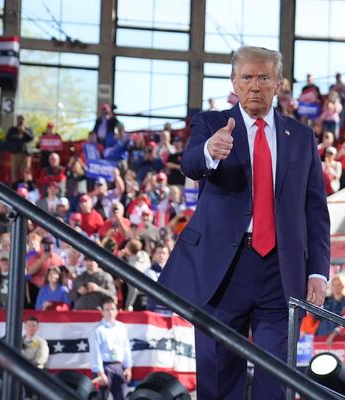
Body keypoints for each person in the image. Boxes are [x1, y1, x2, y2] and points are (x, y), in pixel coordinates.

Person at [158, 46, 330, 400]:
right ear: (234, 82)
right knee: (219, 377)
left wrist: (318, 271)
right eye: (247, 77)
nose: (255, 85)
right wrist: (210, 150)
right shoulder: (210, 123)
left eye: (264, 77)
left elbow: (315, 208)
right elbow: (190, 164)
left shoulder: (301, 137)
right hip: (222, 271)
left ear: (278, 84)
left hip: (282, 273)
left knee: (275, 378)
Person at [89, 298, 133, 400]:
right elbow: (96, 353)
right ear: (102, 311)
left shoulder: (121, 327)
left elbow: (126, 348)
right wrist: (100, 373)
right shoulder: (97, 330)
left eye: (112, 309)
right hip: (104, 367)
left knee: (121, 397)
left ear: (117, 311)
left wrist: (128, 368)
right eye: (107, 309)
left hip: (118, 366)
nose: (110, 312)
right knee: (100, 397)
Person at [5, 114, 33, 184]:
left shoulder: (28, 129)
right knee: (15, 170)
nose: (21, 121)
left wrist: (24, 131)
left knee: (26, 170)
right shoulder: (12, 129)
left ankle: (26, 185)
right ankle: (15, 185)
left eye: (22, 119)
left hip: (26, 153)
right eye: (19, 119)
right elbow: (7, 138)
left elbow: (31, 138)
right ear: (17, 120)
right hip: (15, 153)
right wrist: (16, 136)